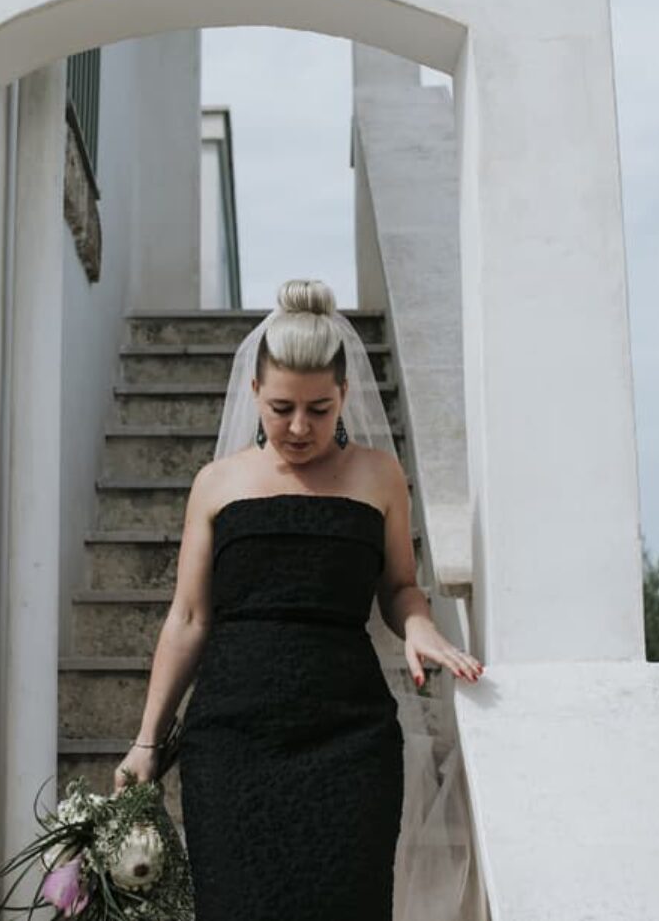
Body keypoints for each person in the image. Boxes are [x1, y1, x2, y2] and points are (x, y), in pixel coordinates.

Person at [113, 277, 483, 921]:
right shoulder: (216, 485)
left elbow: (397, 586)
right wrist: (148, 741)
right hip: (231, 739)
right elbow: (190, 617)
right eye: (282, 407)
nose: (300, 426)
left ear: (345, 395)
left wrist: (419, 622)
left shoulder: (378, 476)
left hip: (349, 738)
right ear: (254, 392)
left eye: (320, 408)